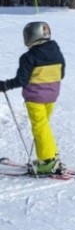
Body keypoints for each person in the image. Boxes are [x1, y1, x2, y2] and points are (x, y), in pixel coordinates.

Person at [0, 21, 66, 175]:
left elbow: (21, 80)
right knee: (43, 127)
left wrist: (5, 85)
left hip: (35, 97)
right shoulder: (56, 52)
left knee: (39, 127)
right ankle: (48, 157)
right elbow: (61, 73)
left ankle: (49, 162)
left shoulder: (28, 57)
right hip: (52, 95)